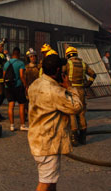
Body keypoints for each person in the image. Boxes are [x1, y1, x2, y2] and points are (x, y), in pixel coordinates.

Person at [27, 53, 83, 191]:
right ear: (58, 71)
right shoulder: (54, 91)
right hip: (48, 143)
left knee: (51, 181)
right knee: (45, 183)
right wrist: (70, 87)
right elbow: (77, 107)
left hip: (38, 139)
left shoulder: (36, 84)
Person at [64, 46, 96, 145]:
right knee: (81, 112)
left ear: (68, 55)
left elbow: (61, 74)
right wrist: (88, 84)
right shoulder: (83, 64)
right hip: (81, 90)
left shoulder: (67, 64)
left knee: (72, 112)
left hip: (71, 90)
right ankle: (83, 138)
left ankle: (74, 138)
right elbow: (93, 74)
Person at [4, 47, 28, 131]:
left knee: (11, 105)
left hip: (8, 87)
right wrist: (25, 85)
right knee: (21, 105)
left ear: (12, 53)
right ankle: (22, 125)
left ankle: (12, 125)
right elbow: (21, 75)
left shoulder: (6, 64)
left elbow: (4, 76)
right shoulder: (20, 63)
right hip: (18, 86)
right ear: (18, 54)